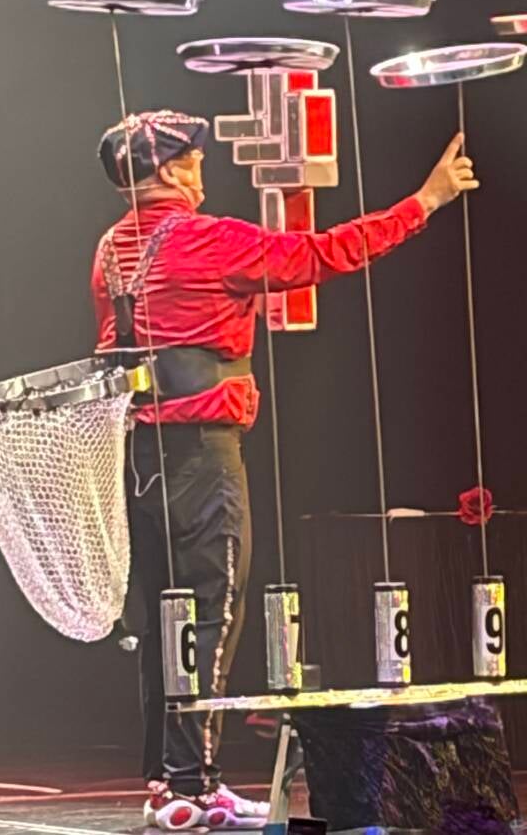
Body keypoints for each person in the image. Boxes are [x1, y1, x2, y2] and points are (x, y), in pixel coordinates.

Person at [91, 109, 478, 831]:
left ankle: (167, 782)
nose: (203, 169)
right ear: (170, 170)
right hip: (202, 454)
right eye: (194, 159)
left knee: (168, 617)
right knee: (210, 613)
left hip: (140, 457)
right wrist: (425, 202)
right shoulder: (205, 239)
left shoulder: (112, 249)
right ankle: (196, 787)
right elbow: (322, 254)